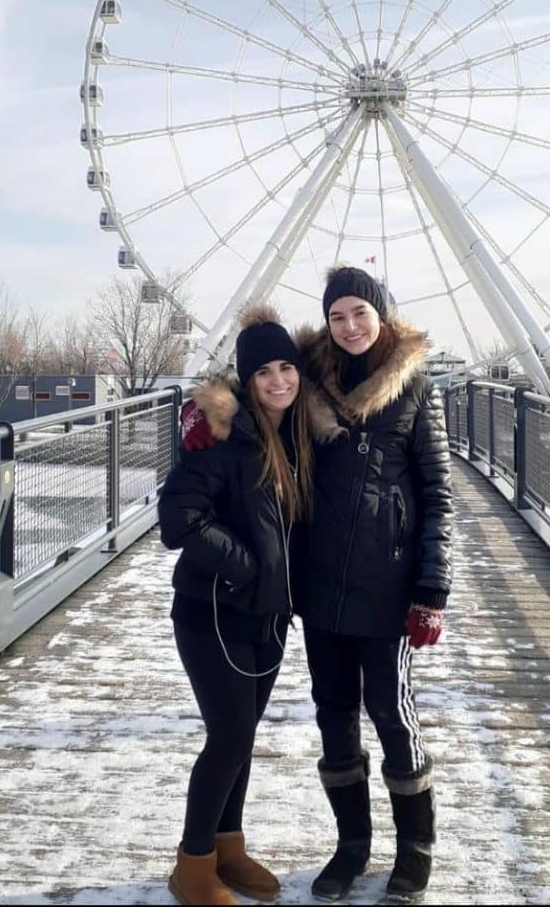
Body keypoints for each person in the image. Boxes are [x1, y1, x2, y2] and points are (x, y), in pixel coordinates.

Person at [184, 267, 453, 904]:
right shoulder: (310, 378)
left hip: (388, 587)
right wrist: (204, 416)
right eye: (338, 316)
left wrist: (431, 589)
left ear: (381, 313)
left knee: (392, 714)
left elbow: (438, 493)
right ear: (327, 322)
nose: (351, 326)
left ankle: (414, 849)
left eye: (360, 312)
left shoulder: (414, 388)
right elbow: (251, 378)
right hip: (319, 584)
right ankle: (352, 844)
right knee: (334, 715)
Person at [159, 304, 343, 907]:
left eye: (288, 368)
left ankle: (227, 848)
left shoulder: (295, 433)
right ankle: (192, 867)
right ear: (246, 378)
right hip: (215, 610)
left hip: (269, 614)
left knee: (243, 733)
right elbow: (178, 519)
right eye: (265, 372)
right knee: (230, 737)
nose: (279, 381)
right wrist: (246, 566)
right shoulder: (219, 433)